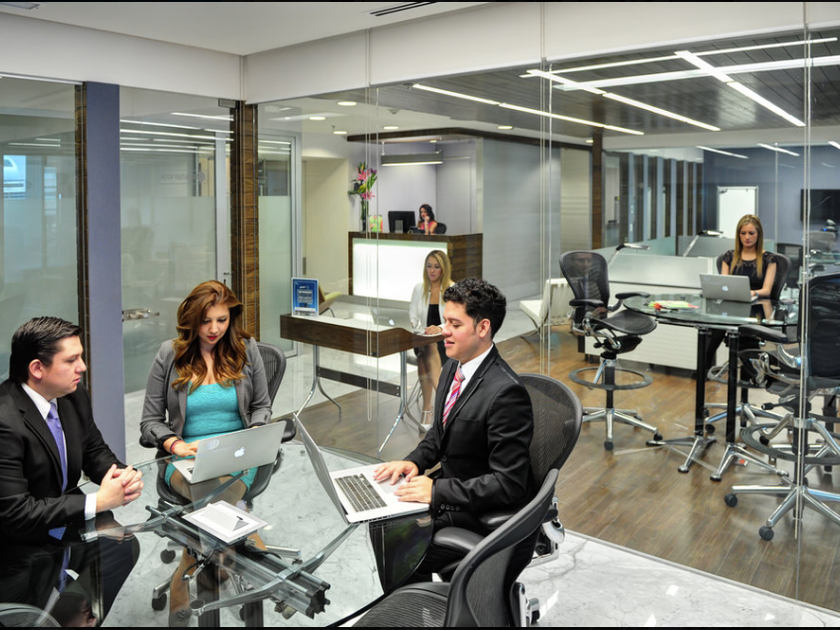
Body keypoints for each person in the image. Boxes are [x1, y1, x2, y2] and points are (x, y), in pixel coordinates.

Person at [375, 278, 534, 576]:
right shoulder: (453, 366)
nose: (443, 330)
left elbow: (508, 483)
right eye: (445, 321)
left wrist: (437, 490)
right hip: (452, 495)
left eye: (454, 324)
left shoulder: (506, 393)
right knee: (382, 524)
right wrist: (414, 461)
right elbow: (439, 433)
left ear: (482, 328)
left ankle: (416, 602)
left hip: (476, 515)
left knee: (394, 545)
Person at [139, 279, 272, 624]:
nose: (214, 329)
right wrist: (177, 445)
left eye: (222, 320)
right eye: (206, 321)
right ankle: (247, 546)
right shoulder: (170, 354)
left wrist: (254, 432)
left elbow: (261, 407)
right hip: (185, 458)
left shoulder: (245, 349)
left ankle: (187, 565)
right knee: (209, 488)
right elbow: (150, 422)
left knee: (215, 490)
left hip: (238, 456)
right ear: (191, 320)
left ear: (231, 318)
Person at [0, 317, 143, 541]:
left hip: (70, 519)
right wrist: (98, 501)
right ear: (37, 368)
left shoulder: (73, 395)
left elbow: (94, 450)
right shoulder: (5, 421)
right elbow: (16, 512)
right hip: (22, 540)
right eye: (71, 360)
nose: (83, 367)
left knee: (123, 549)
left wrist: (122, 477)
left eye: (80, 356)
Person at [705, 214, 778, 369]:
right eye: (743, 233)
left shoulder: (769, 259)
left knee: (744, 337)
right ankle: (702, 372)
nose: (747, 237)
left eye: (751, 233)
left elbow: (766, 290)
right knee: (712, 329)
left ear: (758, 234)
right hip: (731, 306)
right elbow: (724, 285)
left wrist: (753, 292)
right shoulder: (729, 256)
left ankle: (751, 375)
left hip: (756, 308)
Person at [409, 250, 455, 430]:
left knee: (424, 357)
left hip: (445, 341)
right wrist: (417, 326)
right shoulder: (419, 289)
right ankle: (444, 404)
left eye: (436, 267)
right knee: (426, 347)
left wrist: (440, 328)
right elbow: (413, 316)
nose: (432, 271)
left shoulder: (452, 289)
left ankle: (427, 409)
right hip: (423, 338)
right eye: (429, 266)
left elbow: (454, 320)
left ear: (444, 269)